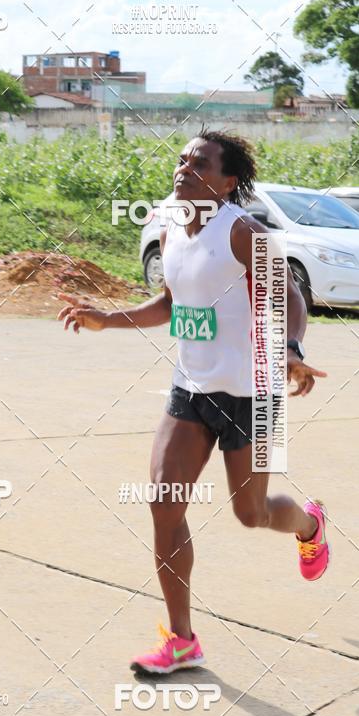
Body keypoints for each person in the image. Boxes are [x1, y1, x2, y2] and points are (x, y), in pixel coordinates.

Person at [57, 129, 329, 676]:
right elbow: (170, 303)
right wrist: (107, 318)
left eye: (200, 162)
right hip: (191, 388)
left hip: (252, 392)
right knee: (164, 502)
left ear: (227, 182)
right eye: (182, 158)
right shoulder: (170, 225)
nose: (184, 167)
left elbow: (291, 296)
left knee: (250, 514)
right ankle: (182, 642)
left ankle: (309, 525)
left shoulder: (242, 233)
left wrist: (292, 349)